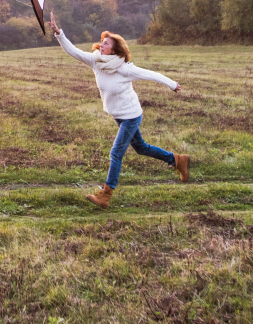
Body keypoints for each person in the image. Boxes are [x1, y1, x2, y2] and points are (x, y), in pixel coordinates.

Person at [48, 20, 189, 208]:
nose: (102, 45)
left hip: (131, 115)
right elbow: (74, 52)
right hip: (118, 115)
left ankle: (106, 194)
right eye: (102, 42)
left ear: (114, 50)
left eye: (106, 43)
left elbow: (151, 74)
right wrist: (59, 34)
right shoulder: (96, 61)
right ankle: (177, 160)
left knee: (116, 153)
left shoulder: (124, 68)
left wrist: (172, 84)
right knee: (142, 148)